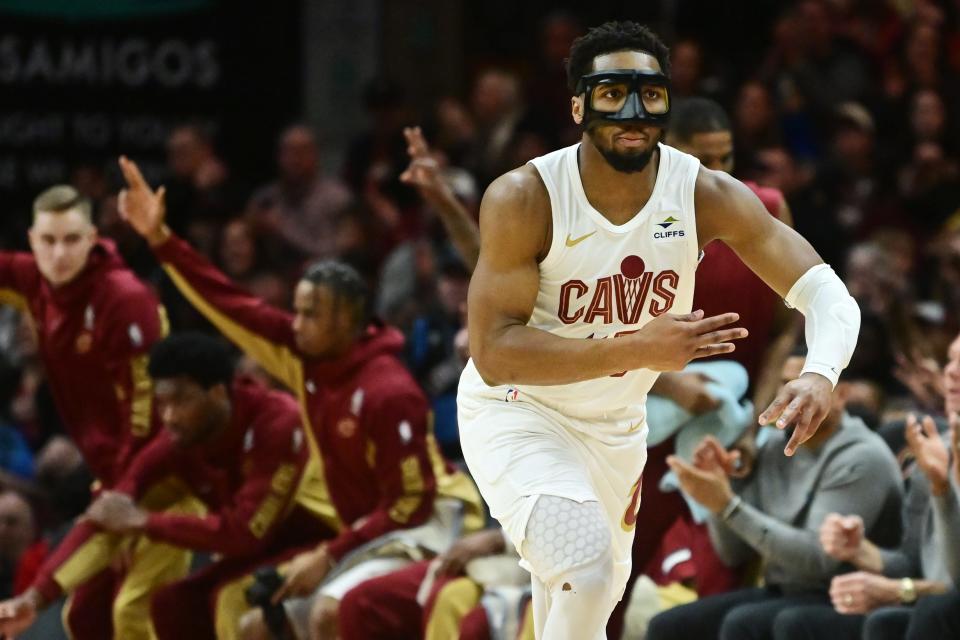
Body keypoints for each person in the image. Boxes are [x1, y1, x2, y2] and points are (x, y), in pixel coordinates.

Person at [458, 21, 860, 639]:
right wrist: (640, 347)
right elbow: (494, 354)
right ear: (578, 105)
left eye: (650, 93)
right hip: (518, 412)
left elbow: (827, 293)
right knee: (586, 572)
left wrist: (820, 373)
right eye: (613, 92)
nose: (634, 110)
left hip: (617, 429)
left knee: (582, 599)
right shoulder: (525, 197)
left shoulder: (704, 194)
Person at [115, 156, 484, 640]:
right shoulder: (303, 356)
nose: (297, 323)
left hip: (432, 521)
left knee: (331, 613)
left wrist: (329, 554)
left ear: (348, 323)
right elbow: (230, 303)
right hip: (367, 528)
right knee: (254, 626)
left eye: (312, 315)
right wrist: (162, 242)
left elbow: (409, 505)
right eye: (298, 309)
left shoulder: (387, 391)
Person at [0, 185, 197, 640]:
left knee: (132, 615)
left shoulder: (124, 299)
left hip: (168, 476)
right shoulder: (35, 281)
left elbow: (149, 418)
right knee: (85, 618)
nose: (59, 253)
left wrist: (126, 499)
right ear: (32, 240)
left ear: (92, 238)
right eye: (48, 241)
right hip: (111, 477)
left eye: (71, 240)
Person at [78, 332, 337, 640]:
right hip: (265, 546)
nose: (170, 416)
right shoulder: (185, 430)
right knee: (171, 604)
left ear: (216, 393)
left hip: (323, 538)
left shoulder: (277, 422)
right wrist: (34, 596)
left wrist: (145, 522)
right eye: (162, 404)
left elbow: (245, 534)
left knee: (233, 598)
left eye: (181, 400)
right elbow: (126, 488)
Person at [645, 350, 903, 640]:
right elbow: (733, 553)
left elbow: (817, 563)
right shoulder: (774, 446)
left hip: (847, 594)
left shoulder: (862, 458)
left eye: (801, 384)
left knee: (750, 623)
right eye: (783, 383)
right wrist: (723, 490)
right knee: (668, 626)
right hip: (788, 591)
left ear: (841, 394)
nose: (788, 395)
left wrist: (729, 505)